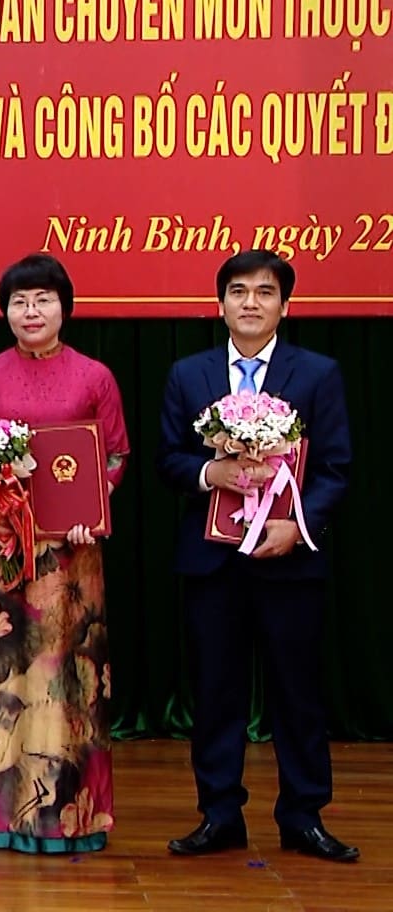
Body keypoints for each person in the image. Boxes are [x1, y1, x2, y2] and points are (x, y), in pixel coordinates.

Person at [157, 250, 357, 862]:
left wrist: (297, 527)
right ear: (220, 305)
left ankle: (303, 816)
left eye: (264, 292)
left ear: (284, 306)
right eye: (238, 291)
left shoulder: (318, 374)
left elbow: (335, 468)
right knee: (215, 691)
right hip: (211, 561)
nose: (250, 302)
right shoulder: (188, 375)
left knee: (297, 693)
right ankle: (219, 815)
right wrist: (211, 471)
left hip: (288, 559)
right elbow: (169, 460)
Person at [0, 253, 129, 853]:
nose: (31, 311)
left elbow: (114, 458)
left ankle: (69, 820)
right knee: (1, 674)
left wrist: (92, 509)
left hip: (72, 562)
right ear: (5, 311)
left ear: (64, 308)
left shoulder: (95, 376)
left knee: (67, 682)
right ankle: (1, 818)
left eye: (43, 299)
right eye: (19, 301)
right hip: (1, 556)